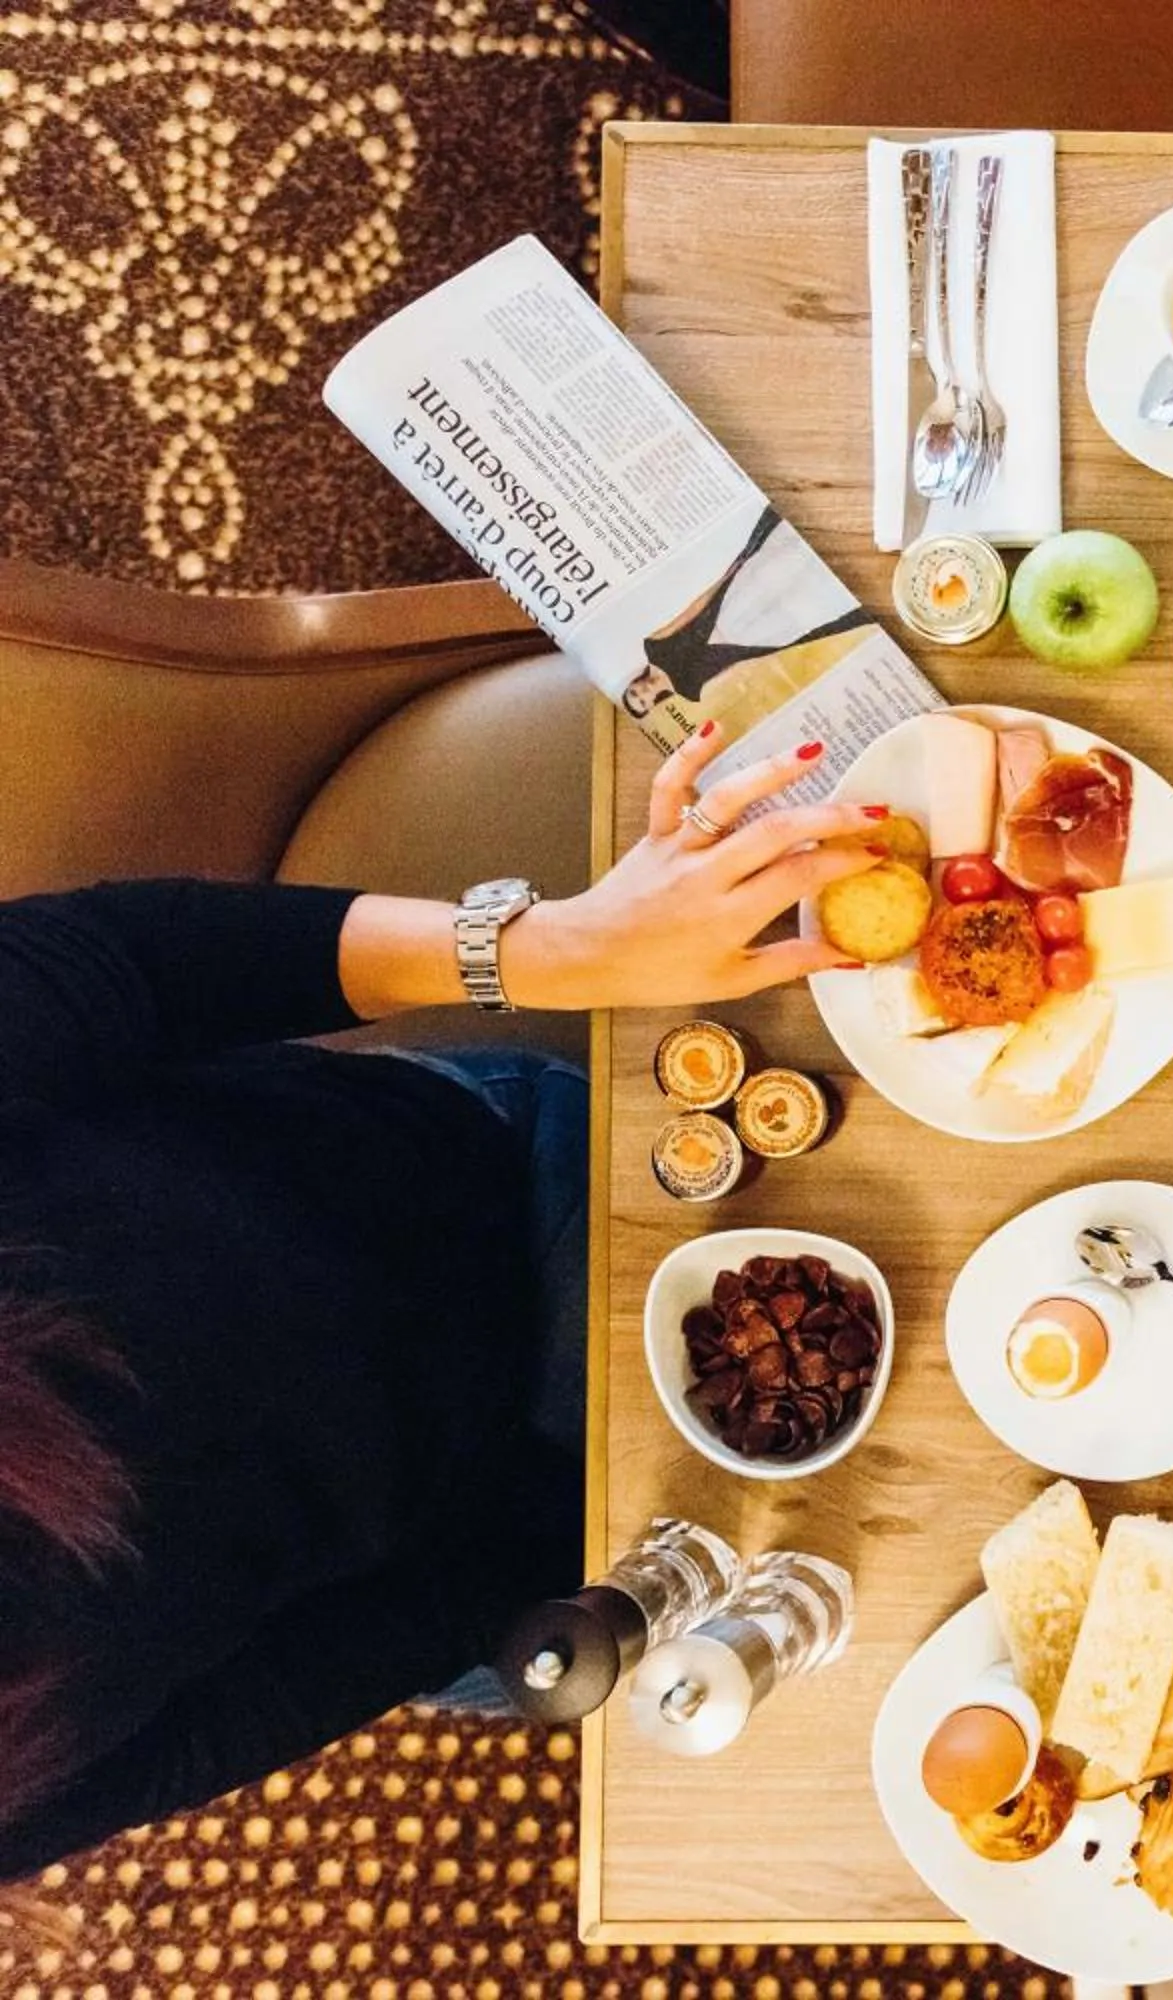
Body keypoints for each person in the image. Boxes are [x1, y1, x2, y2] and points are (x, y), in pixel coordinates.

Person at [0, 725, 883, 1881]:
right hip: (489, 1557)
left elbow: (120, 963)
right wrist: (590, 1554)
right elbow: (262, 1694)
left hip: (496, 1184)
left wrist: (554, 952)